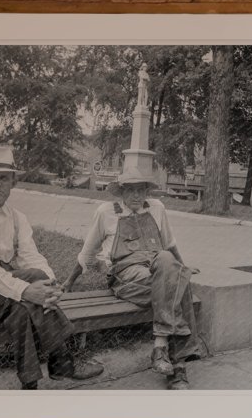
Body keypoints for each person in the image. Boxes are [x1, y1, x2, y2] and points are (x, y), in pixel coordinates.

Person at [0, 146, 102, 389]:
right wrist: (26, 290)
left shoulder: (17, 217)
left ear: (14, 182)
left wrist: (50, 286)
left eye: (4, 178)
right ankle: (62, 362)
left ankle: (30, 384)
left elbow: (31, 256)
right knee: (25, 293)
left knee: (23, 306)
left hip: (1, 286)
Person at [77, 167, 208, 390]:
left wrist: (181, 266)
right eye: (130, 190)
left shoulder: (157, 208)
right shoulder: (106, 211)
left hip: (156, 270)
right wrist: (68, 282)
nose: (136, 195)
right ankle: (178, 368)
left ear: (147, 190)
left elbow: (169, 244)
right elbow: (87, 254)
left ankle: (161, 349)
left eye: (141, 190)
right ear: (121, 191)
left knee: (171, 267)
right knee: (179, 283)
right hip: (126, 277)